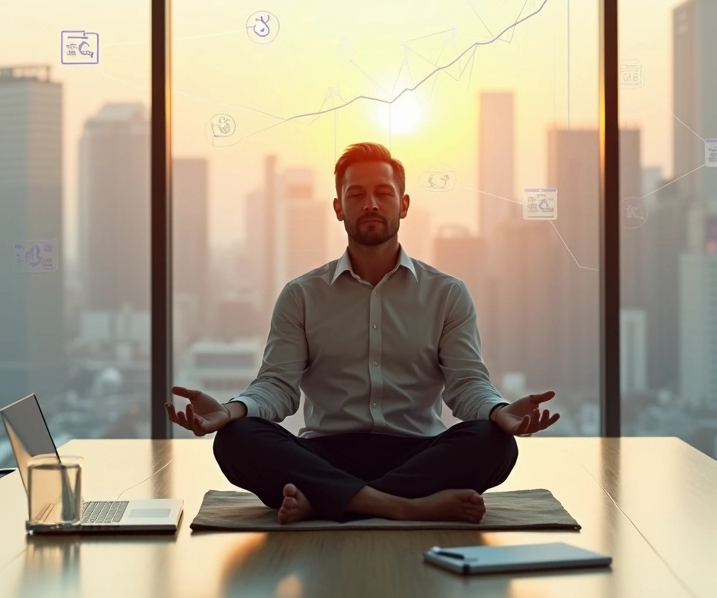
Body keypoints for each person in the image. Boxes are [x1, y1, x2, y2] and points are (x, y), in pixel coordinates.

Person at [167, 142, 560, 525]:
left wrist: (498, 411)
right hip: (325, 453)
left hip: (418, 453)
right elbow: (277, 387)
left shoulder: (447, 293)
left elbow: (467, 383)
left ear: (403, 205)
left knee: (494, 443)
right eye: (356, 194)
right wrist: (230, 410)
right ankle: (406, 507)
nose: (370, 204)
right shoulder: (302, 294)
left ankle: (328, 502)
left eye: (383, 193)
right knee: (236, 439)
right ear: (338, 208)